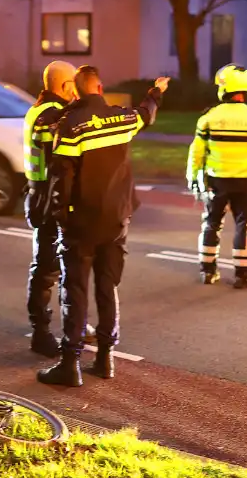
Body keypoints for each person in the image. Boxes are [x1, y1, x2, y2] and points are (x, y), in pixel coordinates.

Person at [39, 66, 169, 386]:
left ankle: (70, 364)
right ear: (101, 87)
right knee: (107, 288)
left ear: (78, 90)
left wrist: (61, 217)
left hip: (82, 223)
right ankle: (105, 358)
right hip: (117, 220)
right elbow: (145, 114)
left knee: (76, 290)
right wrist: (156, 92)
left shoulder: (70, 126)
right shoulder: (122, 118)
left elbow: (61, 178)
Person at [187, 64, 247, 289]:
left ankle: (208, 271)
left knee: (211, 223)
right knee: (244, 224)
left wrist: (193, 177)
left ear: (224, 88)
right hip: (246, 180)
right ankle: (242, 275)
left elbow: (196, 152)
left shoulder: (209, 118)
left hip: (216, 180)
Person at [23, 60, 76, 357]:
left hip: (39, 194)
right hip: (46, 199)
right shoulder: (51, 116)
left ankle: (65, 325)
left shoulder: (40, 109)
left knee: (53, 266)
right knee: (45, 268)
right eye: (74, 85)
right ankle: (40, 332)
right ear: (65, 86)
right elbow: (59, 160)